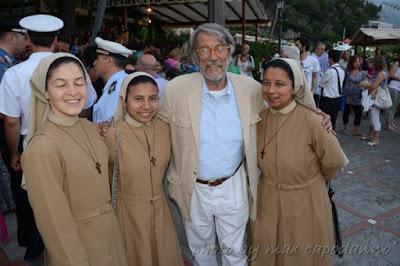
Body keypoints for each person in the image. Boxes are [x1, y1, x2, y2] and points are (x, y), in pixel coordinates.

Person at [159, 23, 264, 265]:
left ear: (230, 52)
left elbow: (281, 111)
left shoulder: (251, 90)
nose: (212, 57)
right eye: (204, 50)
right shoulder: (176, 90)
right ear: (195, 55)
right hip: (192, 188)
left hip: (233, 186)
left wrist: (316, 115)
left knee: (235, 254)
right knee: (201, 254)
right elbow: (154, 125)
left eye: (219, 49)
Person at [21, 53, 128, 266]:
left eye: (79, 83)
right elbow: (54, 224)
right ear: (45, 92)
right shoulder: (42, 147)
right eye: (61, 85)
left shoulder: (90, 128)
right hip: (79, 248)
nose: (72, 92)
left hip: (110, 238)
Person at [251, 58, 348, 266]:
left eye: (280, 84)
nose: (271, 90)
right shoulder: (259, 119)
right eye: (266, 83)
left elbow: (335, 162)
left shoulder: (314, 121)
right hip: (267, 200)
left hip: (305, 202)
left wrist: (308, 182)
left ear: (295, 87)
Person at [0, 15, 67, 261]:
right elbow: (86, 105)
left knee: (30, 198)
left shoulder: (14, 73)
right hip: (65, 141)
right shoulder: (73, 66)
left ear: (28, 39)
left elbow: (11, 121)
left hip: (30, 143)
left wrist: (15, 152)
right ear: (56, 39)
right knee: (62, 196)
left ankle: (33, 244)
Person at [105, 72, 184, 265]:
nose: (146, 106)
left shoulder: (165, 128)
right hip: (128, 215)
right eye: (138, 99)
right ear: (124, 101)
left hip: (161, 212)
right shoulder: (113, 134)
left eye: (153, 99)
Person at [92, 37, 133, 124]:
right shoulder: (118, 83)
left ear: (109, 61)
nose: (94, 63)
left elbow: (107, 127)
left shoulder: (117, 88)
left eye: (97, 59)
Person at [362, 55, 389, 146]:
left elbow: (374, 85)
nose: (372, 64)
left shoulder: (381, 73)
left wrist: (365, 84)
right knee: (372, 116)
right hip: (373, 96)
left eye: (374, 62)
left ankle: (376, 139)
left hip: (376, 97)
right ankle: (370, 135)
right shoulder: (380, 72)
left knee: (375, 117)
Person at [318, 50, 345, 130]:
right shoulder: (342, 71)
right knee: (333, 120)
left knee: (324, 120)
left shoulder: (329, 71)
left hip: (327, 100)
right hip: (337, 99)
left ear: (331, 59)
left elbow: (321, 84)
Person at [342, 56, 366, 136]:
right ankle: (345, 128)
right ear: (352, 62)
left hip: (357, 96)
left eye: (358, 61)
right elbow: (343, 82)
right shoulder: (347, 72)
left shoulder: (362, 73)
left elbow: (364, 84)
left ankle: (356, 130)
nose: (357, 63)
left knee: (358, 113)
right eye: (355, 61)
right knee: (346, 112)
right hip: (347, 95)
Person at [385, 56, 400, 131]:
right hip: (393, 87)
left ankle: (391, 122)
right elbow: (390, 74)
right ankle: (387, 124)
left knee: (395, 107)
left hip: (399, 88)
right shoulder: (397, 63)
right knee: (391, 106)